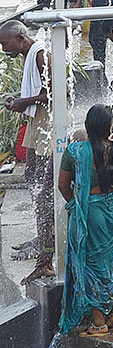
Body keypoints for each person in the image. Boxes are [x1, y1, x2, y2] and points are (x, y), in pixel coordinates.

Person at [58, 104, 113, 335]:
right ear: (110, 126)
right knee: (109, 258)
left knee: (90, 263)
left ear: (88, 126)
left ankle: (98, 322)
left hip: (91, 209)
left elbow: (62, 185)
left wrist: (76, 204)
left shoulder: (75, 151)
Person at [2, 21, 55, 283]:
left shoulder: (41, 55)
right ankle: (43, 236)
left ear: (19, 38)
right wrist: (21, 100)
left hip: (49, 124)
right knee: (32, 177)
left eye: (4, 44)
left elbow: (58, 90)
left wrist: (25, 101)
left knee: (45, 190)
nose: (3, 49)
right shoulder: (29, 55)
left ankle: (46, 255)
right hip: (36, 122)